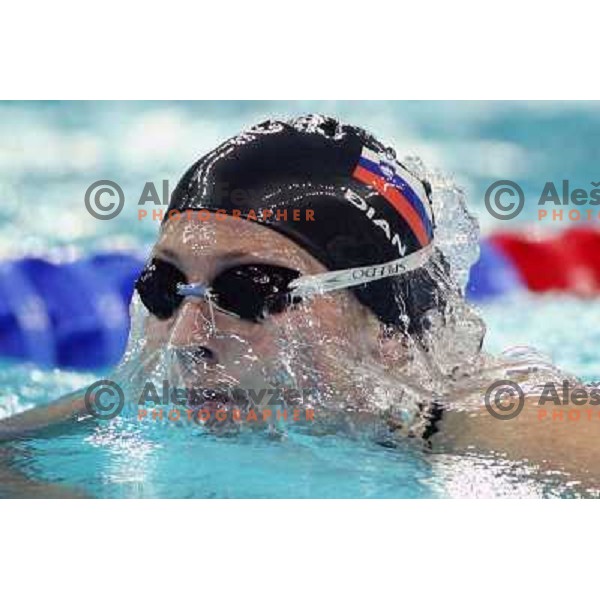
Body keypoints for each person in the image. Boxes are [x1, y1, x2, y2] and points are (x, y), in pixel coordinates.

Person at [1, 115, 599, 493]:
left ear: (386, 328)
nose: (186, 338)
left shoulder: (505, 428)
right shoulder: (137, 402)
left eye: (250, 291)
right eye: (164, 287)